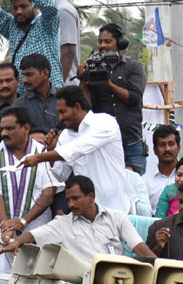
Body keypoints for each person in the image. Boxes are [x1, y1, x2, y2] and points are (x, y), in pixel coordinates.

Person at [0, 106, 60, 284]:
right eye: (2, 129)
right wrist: (7, 224)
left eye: (10, 128)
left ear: (26, 128)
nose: (4, 133)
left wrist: (23, 221)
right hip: (4, 234)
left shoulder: (42, 152)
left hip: (37, 233)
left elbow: (49, 193)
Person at [19, 85, 134, 213]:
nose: (60, 118)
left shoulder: (105, 122)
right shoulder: (65, 135)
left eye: (63, 112)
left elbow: (79, 148)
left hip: (116, 207)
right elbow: (60, 175)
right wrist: (50, 149)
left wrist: (39, 158)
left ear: (77, 107)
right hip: (86, 211)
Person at [0, 173, 156, 260]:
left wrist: (161, 266)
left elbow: (139, 247)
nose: (71, 204)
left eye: (75, 198)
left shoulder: (117, 217)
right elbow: (33, 235)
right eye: (68, 200)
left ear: (91, 197)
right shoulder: (63, 223)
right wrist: (16, 243)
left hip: (116, 279)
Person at [81, 24, 147, 173]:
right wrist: (83, 81)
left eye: (108, 41)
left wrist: (108, 84)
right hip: (104, 144)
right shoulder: (92, 67)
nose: (102, 45)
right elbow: (86, 108)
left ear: (120, 43)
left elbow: (135, 98)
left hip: (131, 143)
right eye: (100, 41)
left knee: (135, 189)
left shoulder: (133, 67)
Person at [40, 0, 78, 84]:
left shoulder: (62, 10)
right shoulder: (60, 9)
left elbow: (68, 51)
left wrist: (57, 86)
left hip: (64, 87)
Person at [13, 53, 59, 135]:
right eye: (23, 75)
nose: (25, 80)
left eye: (29, 75)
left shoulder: (65, 98)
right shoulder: (19, 105)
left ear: (45, 73)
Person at [143, 124, 179, 208]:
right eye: (162, 145)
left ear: (178, 148)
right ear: (155, 150)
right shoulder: (145, 182)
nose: (167, 149)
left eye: (171, 144)